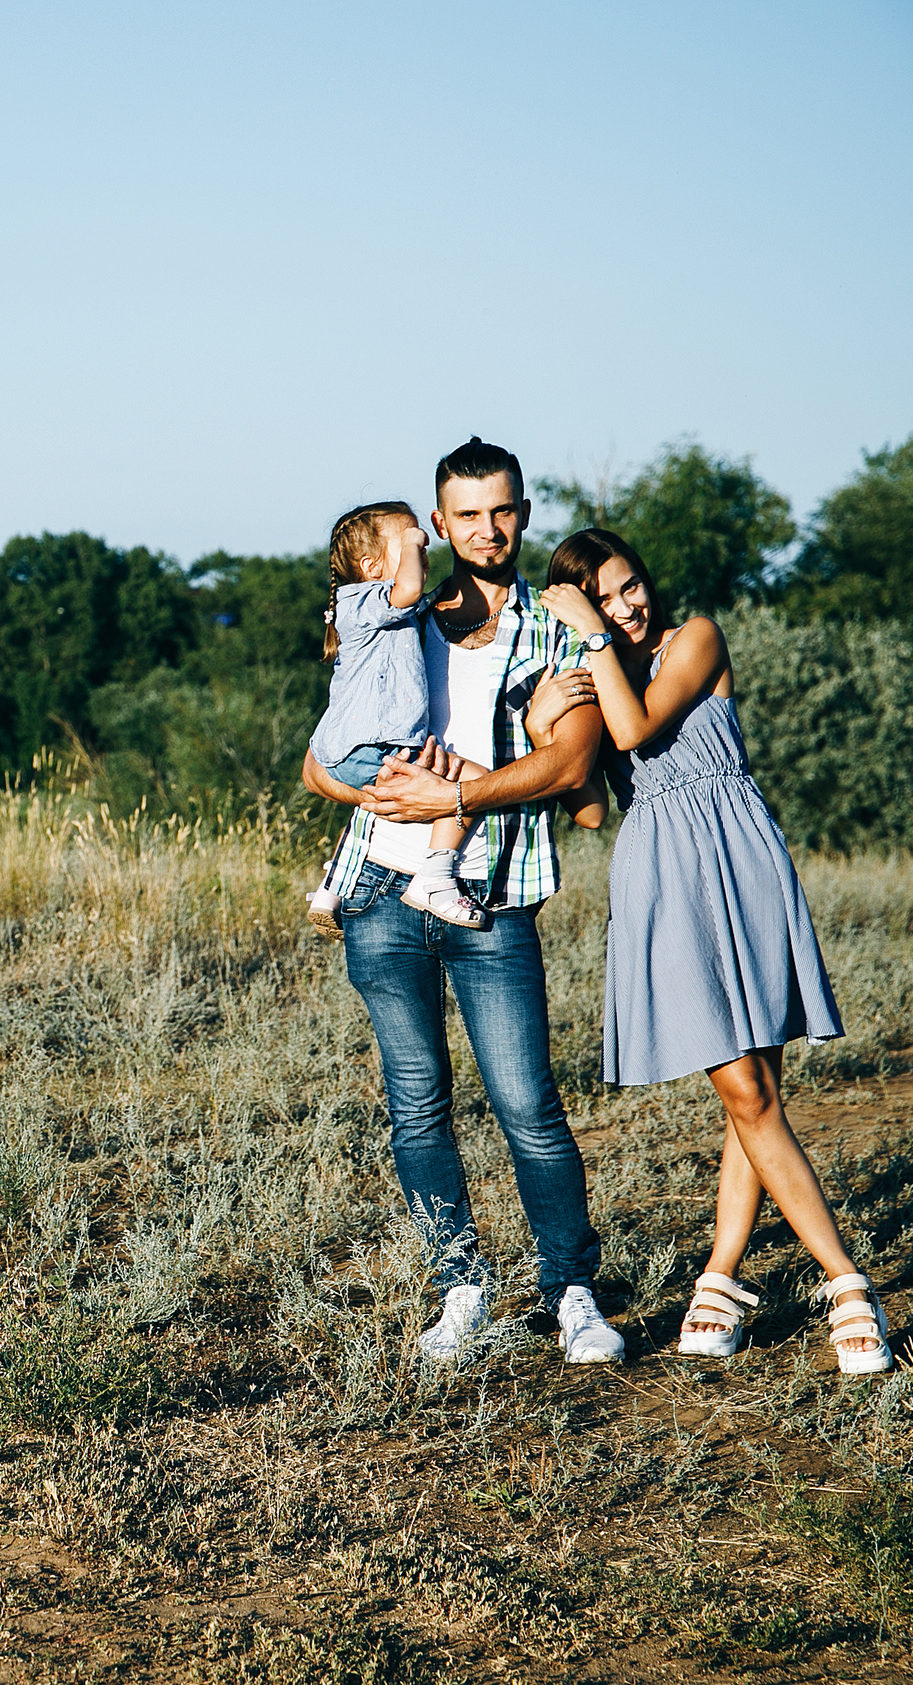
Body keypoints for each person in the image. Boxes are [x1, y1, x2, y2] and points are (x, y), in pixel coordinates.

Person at [536, 529, 893, 1376]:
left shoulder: (691, 638)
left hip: (736, 854)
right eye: (608, 597)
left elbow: (638, 728)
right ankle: (735, 1280)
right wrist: (541, 716)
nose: (630, 606)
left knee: (753, 1088)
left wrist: (593, 636)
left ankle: (834, 1285)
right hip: (661, 873)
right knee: (744, 1088)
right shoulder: (598, 673)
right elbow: (588, 805)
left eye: (629, 588)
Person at [301, 436, 622, 1365]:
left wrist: (457, 796)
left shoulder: (560, 632)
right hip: (382, 897)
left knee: (529, 1106)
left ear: (523, 514)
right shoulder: (396, 623)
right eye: (467, 515)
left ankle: (571, 1293)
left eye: (504, 511)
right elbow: (319, 764)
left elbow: (571, 766)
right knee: (417, 1107)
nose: (488, 529)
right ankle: (462, 1292)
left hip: (492, 896)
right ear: (436, 527)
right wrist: (374, 791)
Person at [305, 501, 490, 930]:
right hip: (373, 742)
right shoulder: (364, 599)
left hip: (355, 746)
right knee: (472, 783)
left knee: (378, 800)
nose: (421, 550)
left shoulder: (386, 610)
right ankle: (436, 877)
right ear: (370, 566)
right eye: (409, 543)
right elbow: (407, 587)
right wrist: (414, 539)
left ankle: (333, 885)